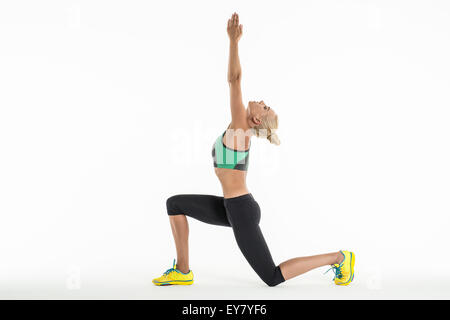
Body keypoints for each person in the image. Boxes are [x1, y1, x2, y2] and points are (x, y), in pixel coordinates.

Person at [153, 12, 355, 287]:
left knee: (271, 277)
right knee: (174, 204)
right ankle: (183, 271)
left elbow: (234, 80)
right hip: (231, 206)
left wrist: (233, 42)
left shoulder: (240, 129)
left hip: (240, 209)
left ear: (257, 119)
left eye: (265, 105)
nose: (260, 101)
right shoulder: (239, 130)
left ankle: (339, 257)